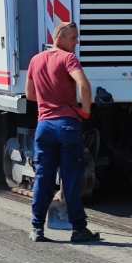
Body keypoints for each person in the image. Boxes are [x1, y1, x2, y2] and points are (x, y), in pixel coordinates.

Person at [24, 22, 100, 244]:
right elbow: (83, 84)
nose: (76, 43)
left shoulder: (36, 60)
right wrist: (85, 111)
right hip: (66, 125)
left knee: (43, 178)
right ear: (61, 37)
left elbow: (30, 94)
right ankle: (78, 230)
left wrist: (49, 102)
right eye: (74, 38)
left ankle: (37, 228)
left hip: (44, 126)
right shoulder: (68, 59)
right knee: (71, 180)